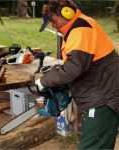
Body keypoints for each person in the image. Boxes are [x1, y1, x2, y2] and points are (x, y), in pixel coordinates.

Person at [35, 0, 119, 149]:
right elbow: (75, 61)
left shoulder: (81, 30)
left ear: (67, 13)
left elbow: (74, 68)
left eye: (54, 21)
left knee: (93, 146)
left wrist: (44, 81)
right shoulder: (76, 27)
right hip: (99, 93)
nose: (53, 26)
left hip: (103, 99)